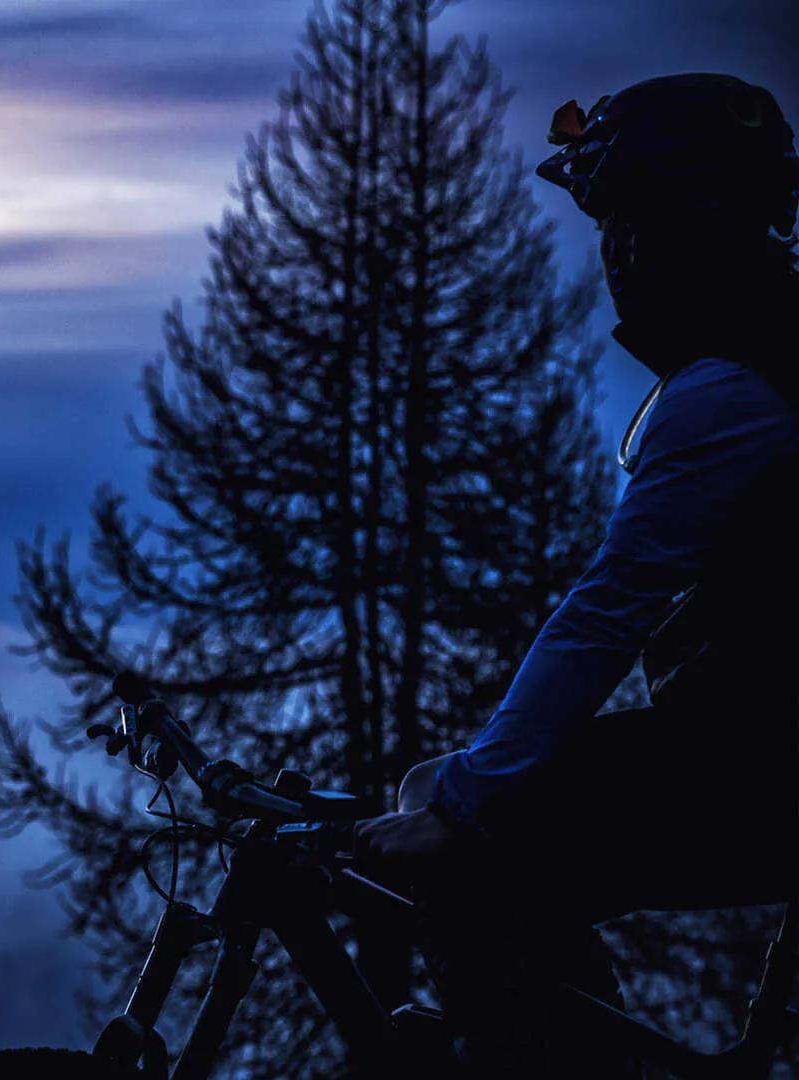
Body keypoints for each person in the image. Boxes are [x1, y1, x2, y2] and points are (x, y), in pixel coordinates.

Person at [355, 73, 799, 1078]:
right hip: (759, 745)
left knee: (466, 845)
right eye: (610, 229)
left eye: (627, 224)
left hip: (764, 768)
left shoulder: (733, 384)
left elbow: (610, 609)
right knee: (450, 804)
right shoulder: (768, 347)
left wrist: (467, 801)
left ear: (681, 225)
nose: (614, 256)